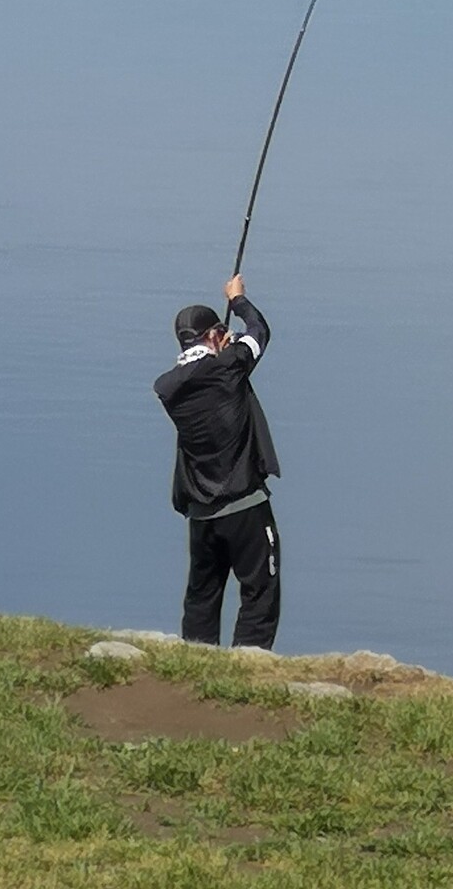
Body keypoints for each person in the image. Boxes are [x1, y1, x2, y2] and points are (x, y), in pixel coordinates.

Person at [154, 274, 281, 649]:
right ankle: (250, 666)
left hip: (201, 513)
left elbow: (203, 371)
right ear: (212, 335)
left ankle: (195, 662)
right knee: (260, 592)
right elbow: (259, 332)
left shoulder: (169, 388)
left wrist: (222, 347)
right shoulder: (229, 367)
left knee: (202, 596)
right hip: (245, 506)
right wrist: (238, 299)